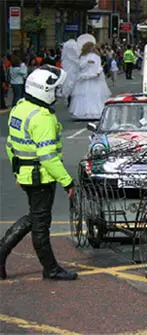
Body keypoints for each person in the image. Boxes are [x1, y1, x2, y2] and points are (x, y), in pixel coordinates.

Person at [1, 65, 77, 281]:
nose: (58, 94)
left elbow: (11, 145)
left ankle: (2, 253)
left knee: (35, 218)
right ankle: (51, 269)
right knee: (41, 224)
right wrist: (67, 182)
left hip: (26, 175)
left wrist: (17, 173)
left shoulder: (20, 107)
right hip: (41, 177)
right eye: (56, 90)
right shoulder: (43, 118)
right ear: (45, 90)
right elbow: (48, 157)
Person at [69, 41, 111, 120]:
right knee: (84, 95)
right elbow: (80, 66)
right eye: (91, 47)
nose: (92, 49)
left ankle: (95, 112)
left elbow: (99, 65)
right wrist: (87, 62)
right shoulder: (82, 57)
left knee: (94, 94)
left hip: (94, 78)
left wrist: (98, 72)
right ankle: (83, 112)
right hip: (84, 78)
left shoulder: (96, 56)